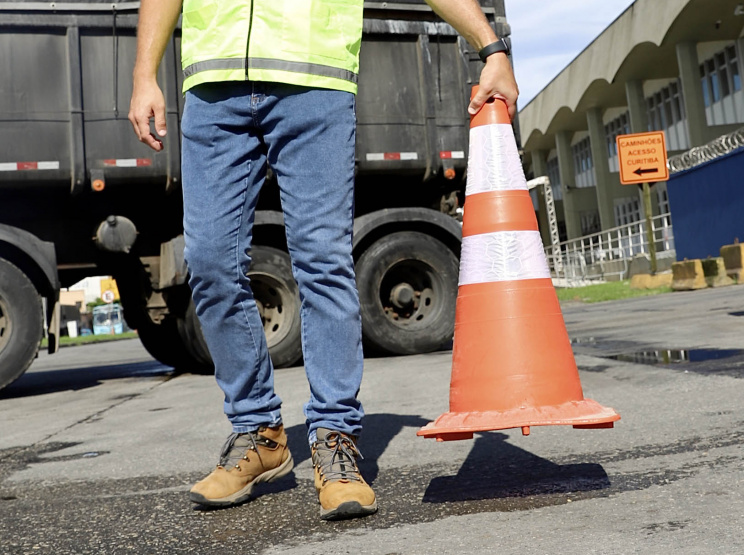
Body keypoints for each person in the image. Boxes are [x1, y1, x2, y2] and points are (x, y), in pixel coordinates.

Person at [128, 0, 518, 521]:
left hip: (314, 84)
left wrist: (490, 46)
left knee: (323, 264)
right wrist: (143, 74)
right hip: (213, 86)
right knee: (209, 263)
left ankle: (335, 441)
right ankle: (259, 434)